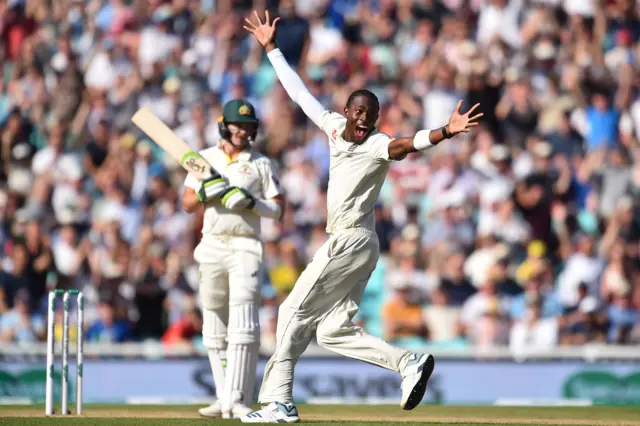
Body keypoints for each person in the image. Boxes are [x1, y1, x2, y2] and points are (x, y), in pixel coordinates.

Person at [242, 11, 483, 423]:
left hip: (350, 239)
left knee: (289, 313)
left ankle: (278, 402)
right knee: (331, 330)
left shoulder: (378, 144)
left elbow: (407, 145)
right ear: (347, 111)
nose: (360, 119)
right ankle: (408, 362)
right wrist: (272, 49)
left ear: (375, 120)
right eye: (356, 112)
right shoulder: (335, 129)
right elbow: (300, 96)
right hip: (360, 245)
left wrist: (444, 131)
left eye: (368, 115)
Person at [181, 98, 284, 419]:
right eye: (238, 125)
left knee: (244, 320)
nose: (243, 131)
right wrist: (204, 193)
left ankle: (239, 399)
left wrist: (250, 202)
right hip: (211, 243)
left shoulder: (261, 164)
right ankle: (222, 395)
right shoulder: (203, 160)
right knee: (212, 318)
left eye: (249, 126)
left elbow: (278, 210)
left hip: (246, 245)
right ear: (224, 125)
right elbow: (186, 203)